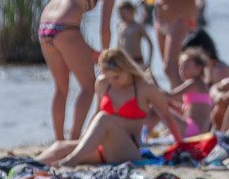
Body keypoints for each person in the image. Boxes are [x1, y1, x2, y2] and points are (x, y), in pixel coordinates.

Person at [39, 0, 124, 142]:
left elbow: (61, 17)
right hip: (66, 30)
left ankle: (59, 140)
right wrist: (106, 55)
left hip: (45, 29)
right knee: (89, 86)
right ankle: (75, 140)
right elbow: (105, 28)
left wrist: (90, 52)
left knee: (61, 88)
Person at [37, 48, 174, 166]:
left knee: (105, 118)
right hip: (103, 148)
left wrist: (180, 146)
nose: (113, 82)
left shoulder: (144, 87)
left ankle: (71, 161)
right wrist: (86, 138)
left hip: (128, 150)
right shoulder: (103, 84)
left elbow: (166, 116)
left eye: (117, 77)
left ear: (127, 69)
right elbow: (97, 112)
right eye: (108, 78)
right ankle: (28, 163)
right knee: (60, 146)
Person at [116, 0, 154, 72]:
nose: (122, 17)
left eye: (124, 14)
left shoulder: (138, 27)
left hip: (137, 60)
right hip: (124, 61)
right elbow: (119, 43)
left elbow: (150, 44)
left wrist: (148, 63)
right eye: (120, 14)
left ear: (132, 12)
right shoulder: (120, 25)